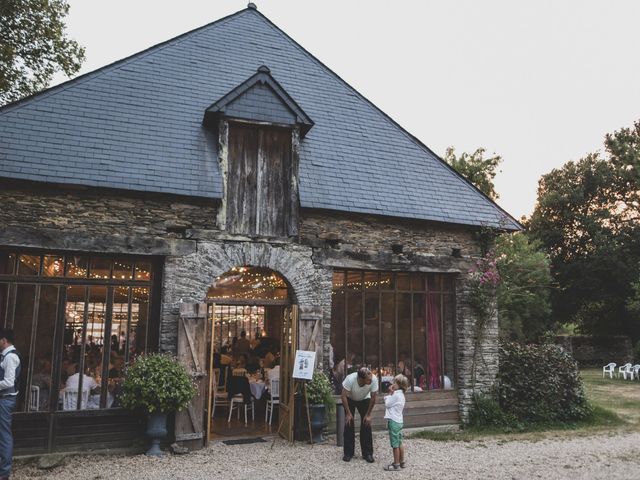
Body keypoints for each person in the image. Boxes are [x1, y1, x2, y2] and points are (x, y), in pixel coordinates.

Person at [341, 367, 379, 463]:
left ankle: (367, 453)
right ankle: (348, 453)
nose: (371, 380)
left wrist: (368, 414)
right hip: (350, 399)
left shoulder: (373, 379)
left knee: (366, 424)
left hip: (364, 399)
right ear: (361, 379)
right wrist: (348, 414)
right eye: (368, 379)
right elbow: (343, 396)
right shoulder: (350, 379)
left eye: (371, 377)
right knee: (349, 423)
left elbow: (374, 398)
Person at [0, 328, 20, 480]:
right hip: (5, 399)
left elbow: (8, 382)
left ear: (4, 340)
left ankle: (4, 472)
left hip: (5, 400)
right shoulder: (6, 356)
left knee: (5, 435)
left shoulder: (10, 357)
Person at [383, 374, 408, 471]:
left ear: (399, 385)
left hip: (393, 421)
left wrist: (389, 393)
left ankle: (396, 465)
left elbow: (387, 404)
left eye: (394, 382)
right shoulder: (401, 394)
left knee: (395, 444)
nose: (392, 384)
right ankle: (402, 462)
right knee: (399, 441)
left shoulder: (396, 395)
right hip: (399, 421)